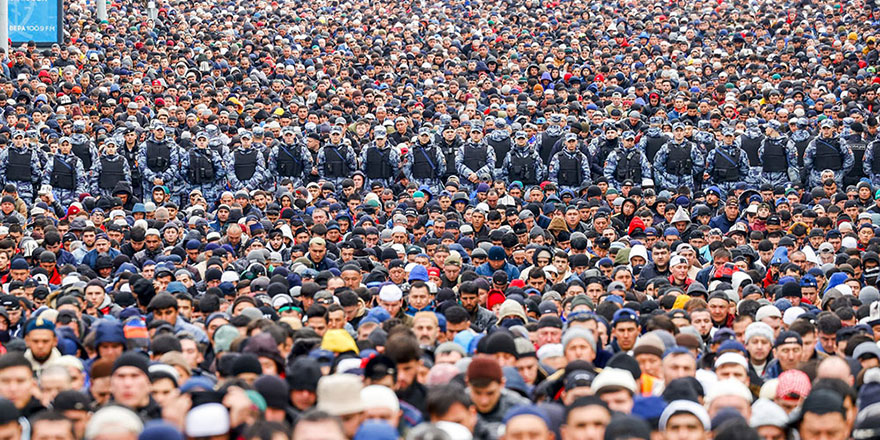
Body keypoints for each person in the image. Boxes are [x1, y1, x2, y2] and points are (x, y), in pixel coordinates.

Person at [653, 122, 705, 191]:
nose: (679, 133)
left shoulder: (692, 147)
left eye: (681, 131)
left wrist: (690, 172)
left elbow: (700, 164)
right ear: (673, 132)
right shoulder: (666, 147)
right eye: (676, 131)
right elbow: (657, 164)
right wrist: (666, 174)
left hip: (686, 184)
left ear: (684, 132)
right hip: (669, 183)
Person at [0, 130, 42, 205]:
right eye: (16, 139)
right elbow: (1, 170)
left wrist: (28, 181)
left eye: (20, 138)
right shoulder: (6, 152)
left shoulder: (31, 153)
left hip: (26, 190)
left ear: (23, 139)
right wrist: (6, 182)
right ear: (12, 140)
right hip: (10, 189)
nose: (18, 141)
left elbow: (36, 172)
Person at [43, 137, 87, 206]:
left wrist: (77, 197)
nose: (65, 147)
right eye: (63, 145)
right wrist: (47, 194)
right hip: (54, 196)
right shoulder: (52, 160)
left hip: (70, 196)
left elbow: (81, 181)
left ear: (71, 146)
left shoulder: (76, 162)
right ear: (59, 146)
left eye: (67, 145)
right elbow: (46, 178)